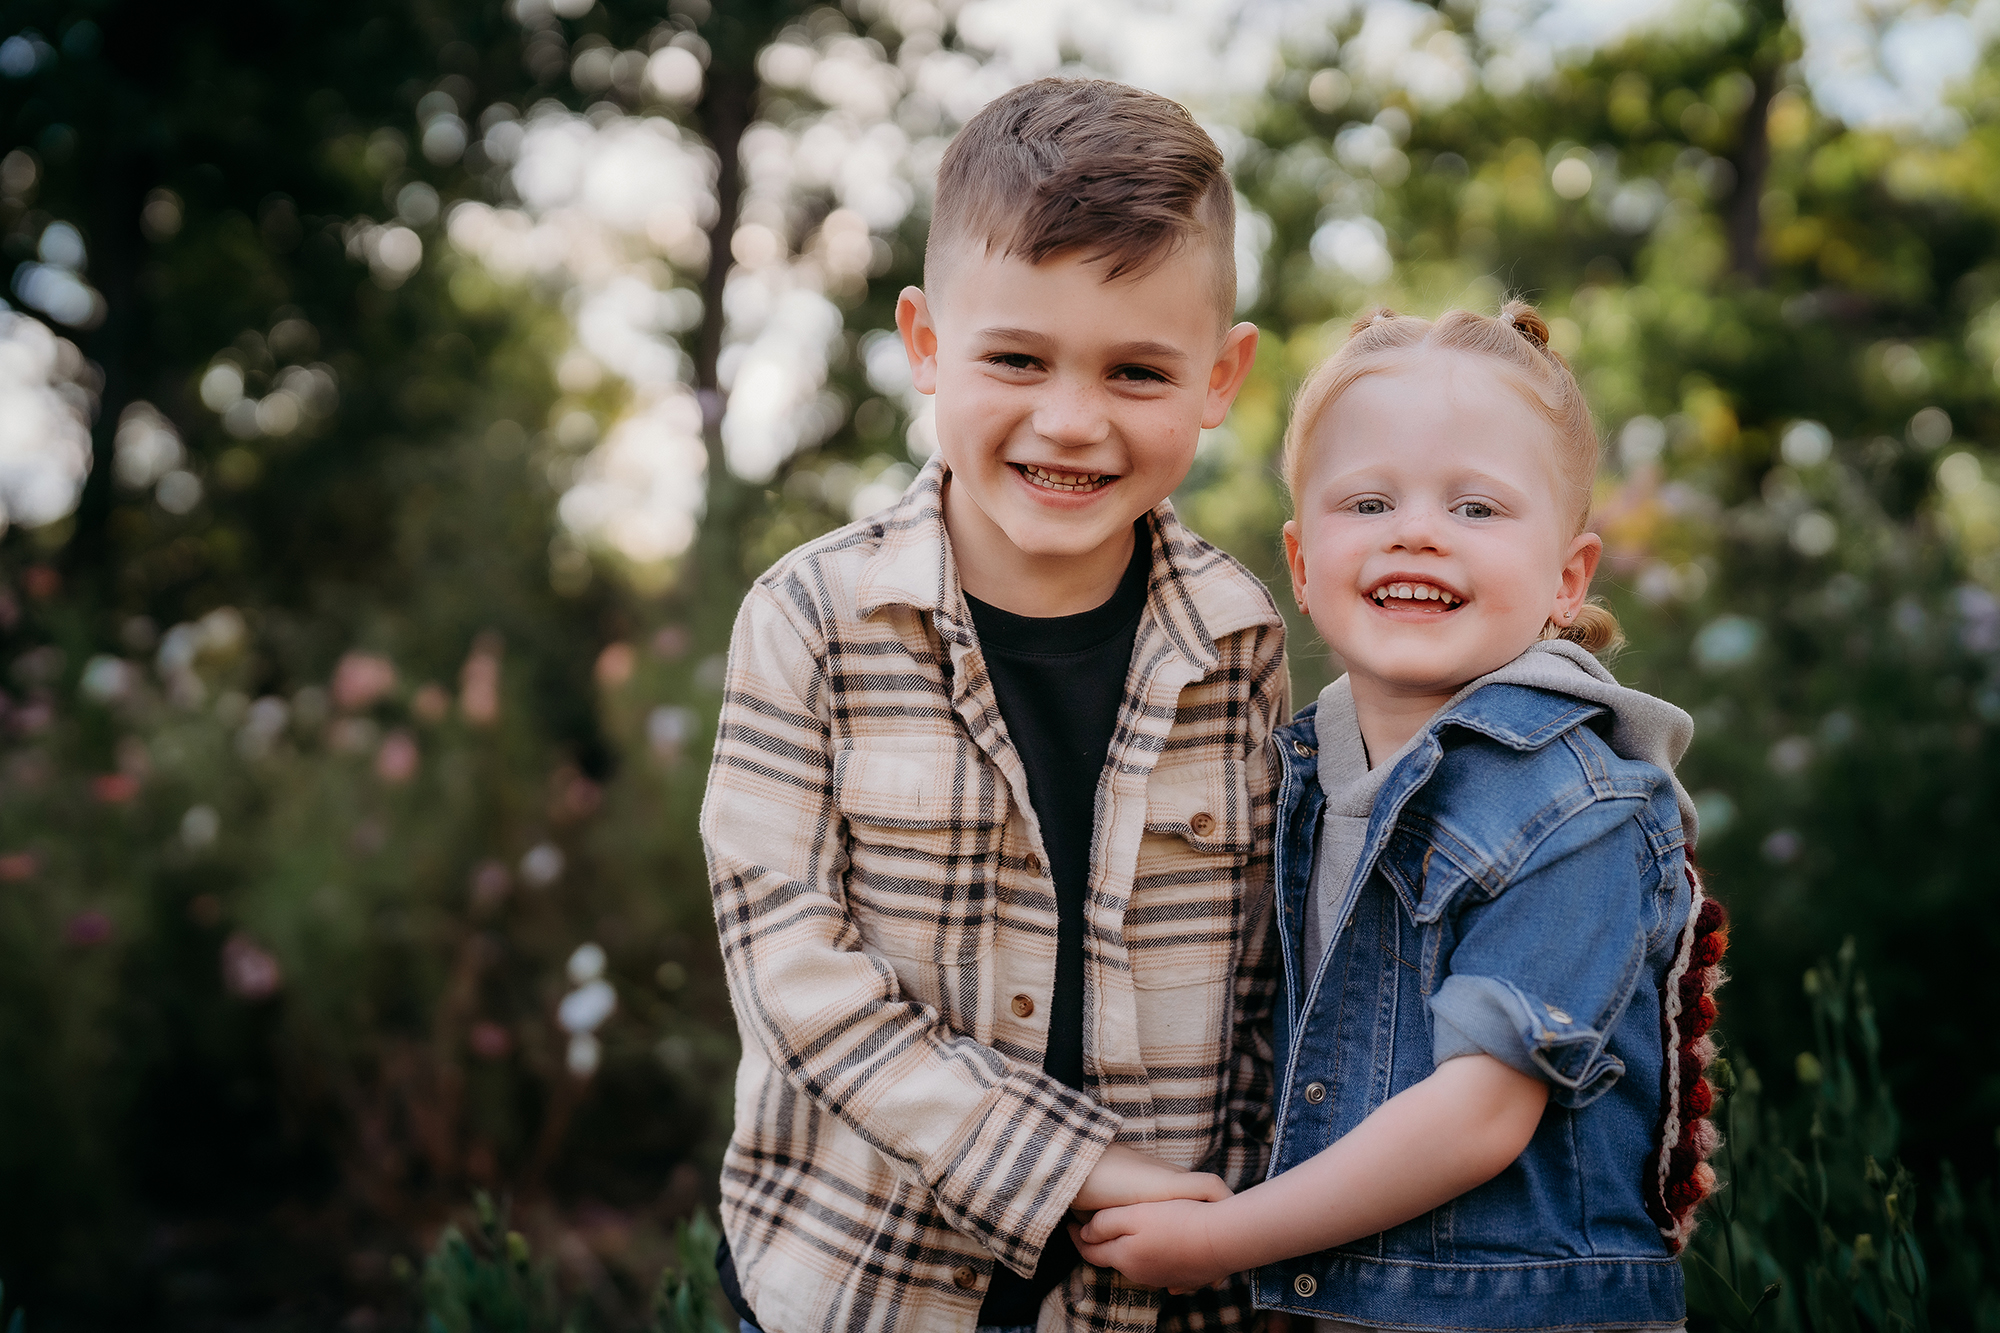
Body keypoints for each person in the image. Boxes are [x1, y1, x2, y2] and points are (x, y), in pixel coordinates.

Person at [700, 77, 1289, 1333]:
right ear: (923, 345)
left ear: (1220, 377)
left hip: (1150, 1297)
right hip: (859, 1280)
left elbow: (1260, 975)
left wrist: (1243, 1229)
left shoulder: (1236, 640)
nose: (1068, 422)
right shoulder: (809, 619)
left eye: (1137, 371)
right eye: (1015, 358)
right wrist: (1071, 1165)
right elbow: (793, 977)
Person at [1072, 303, 1729, 1332]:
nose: (1415, 530)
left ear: (1566, 579)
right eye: (1368, 500)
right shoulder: (1299, 769)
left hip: (1512, 1310)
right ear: (1298, 562)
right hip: (1347, 1303)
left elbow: (1477, 1116)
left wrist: (1220, 1240)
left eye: (1475, 508)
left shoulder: (1576, 803)